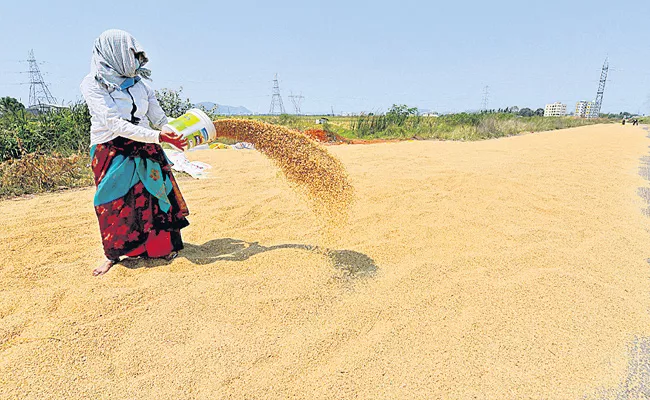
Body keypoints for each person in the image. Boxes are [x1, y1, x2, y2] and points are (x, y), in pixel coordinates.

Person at [80, 29, 190, 276]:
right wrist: (158, 136)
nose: (137, 60)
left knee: (152, 197)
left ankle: (157, 248)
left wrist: (180, 132)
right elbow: (113, 123)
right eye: (132, 54)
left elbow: (159, 118)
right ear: (114, 53)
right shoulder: (93, 83)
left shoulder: (142, 86)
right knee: (112, 201)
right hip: (110, 148)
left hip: (145, 144)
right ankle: (113, 254)